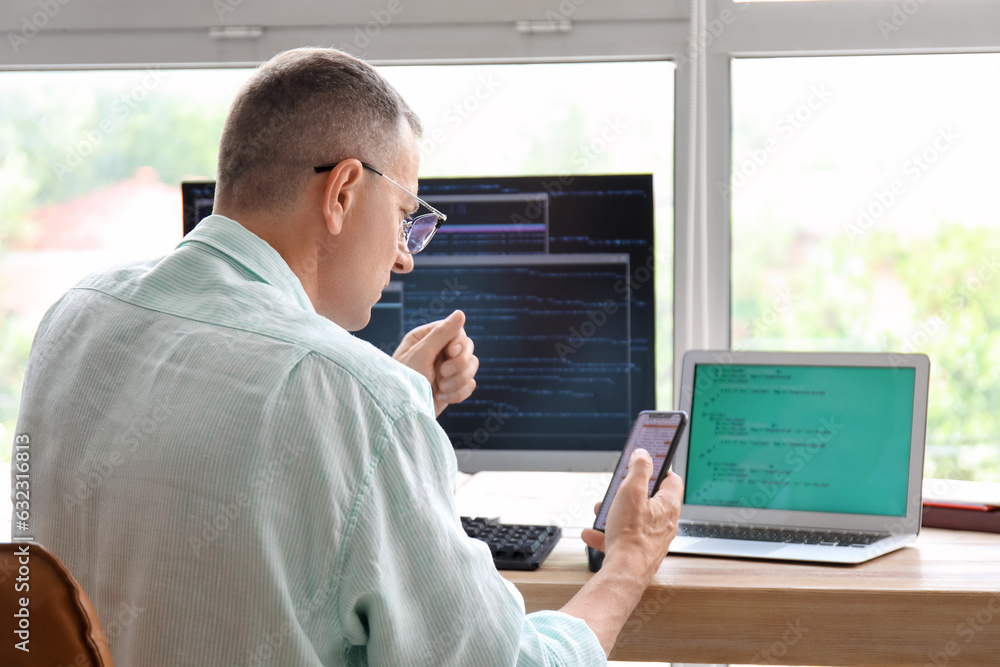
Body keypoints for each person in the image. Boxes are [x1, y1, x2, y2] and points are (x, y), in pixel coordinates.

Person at [16, 47, 683, 666]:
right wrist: (628, 559)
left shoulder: (72, 319)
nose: (404, 254)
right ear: (340, 193)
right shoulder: (358, 400)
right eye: (404, 216)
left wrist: (382, 402)